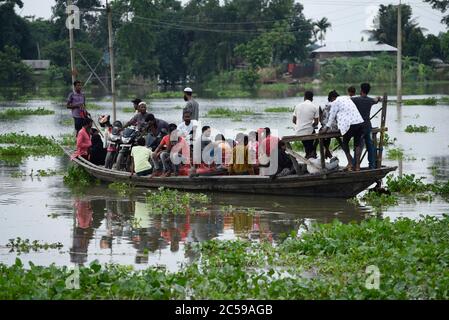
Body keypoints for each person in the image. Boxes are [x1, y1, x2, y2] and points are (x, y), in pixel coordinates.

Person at [320, 90, 365, 171]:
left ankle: (350, 163)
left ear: (332, 98)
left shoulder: (335, 102)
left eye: (330, 100)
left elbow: (331, 117)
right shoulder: (346, 98)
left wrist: (325, 129)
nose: (331, 102)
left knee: (345, 143)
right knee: (357, 144)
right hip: (359, 122)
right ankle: (357, 166)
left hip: (349, 124)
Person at [351, 83, 382, 169]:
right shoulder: (370, 100)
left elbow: (348, 100)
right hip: (367, 125)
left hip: (359, 126)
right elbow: (376, 100)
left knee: (358, 145)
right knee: (369, 145)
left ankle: (355, 164)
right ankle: (371, 165)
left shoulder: (356, 100)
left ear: (361, 90)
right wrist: (379, 98)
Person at [292, 91, 319, 158]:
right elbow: (316, 123)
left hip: (298, 131)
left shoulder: (297, 106)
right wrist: (312, 125)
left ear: (304, 97)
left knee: (307, 142)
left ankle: (309, 153)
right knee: (315, 138)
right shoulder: (314, 107)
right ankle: (311, 153)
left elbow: (294, 120)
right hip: (308, 131)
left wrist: (300, 125)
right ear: (312, 98)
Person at [319, 94, 342, 159]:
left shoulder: (322, 105)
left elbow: (320, 120)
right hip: (336, 130)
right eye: (336, 98)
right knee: (338, 139)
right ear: (333, 98)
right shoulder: (337, 105)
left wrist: (324, 125)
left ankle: (326, 150)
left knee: (321, 134)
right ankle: (327, 151)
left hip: (326, 129)